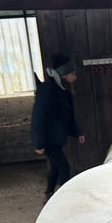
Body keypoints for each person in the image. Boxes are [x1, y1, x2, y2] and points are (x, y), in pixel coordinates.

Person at [30, 53, 86, 204]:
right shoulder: (48, 90)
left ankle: (48, 195)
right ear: (64, 74)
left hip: (55, 138)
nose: (75, 77)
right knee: (64, 168)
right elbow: (38, 117)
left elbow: (67, 115)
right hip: (48, 139)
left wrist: (77, 132)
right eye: (73, 74)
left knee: (55, 167)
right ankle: (62, 202)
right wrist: (39, 143)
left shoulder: (61, 90)